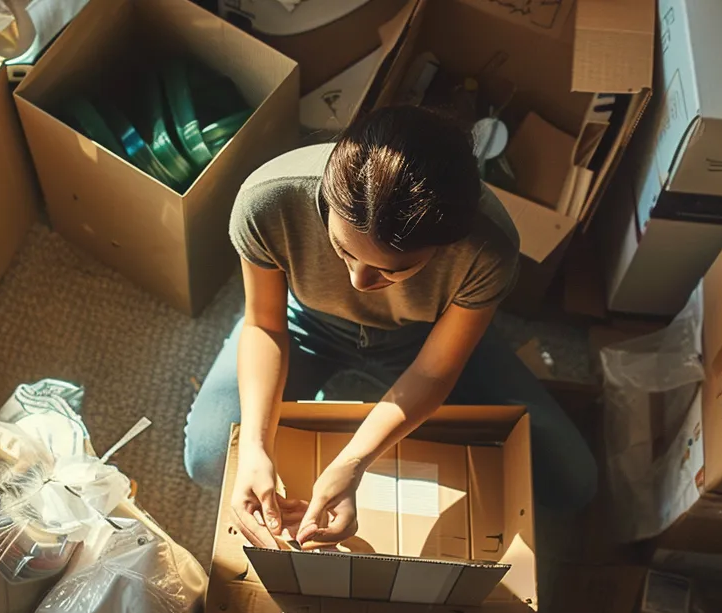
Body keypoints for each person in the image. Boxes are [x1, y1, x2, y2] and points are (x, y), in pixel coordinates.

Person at [181, 105, 598, 549]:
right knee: (210, 458)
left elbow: (434, 372)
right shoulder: (267, 199)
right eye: (343, 249)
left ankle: (347, 397)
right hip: (306, 323)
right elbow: (265, 324)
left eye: (392, 270)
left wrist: (353, 463)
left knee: (572, 483)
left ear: (444, 246)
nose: (359, 282)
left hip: (424, 338)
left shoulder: (487, 251)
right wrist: (255, 449)